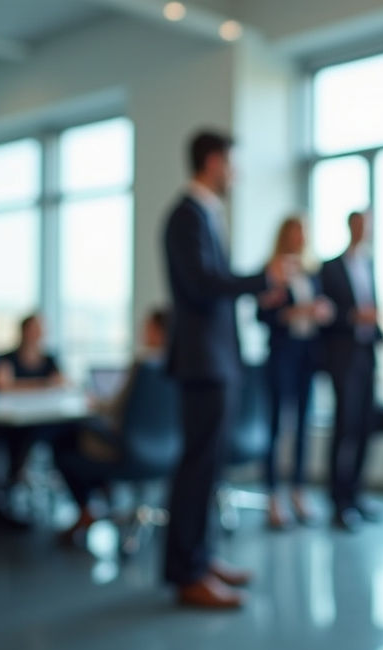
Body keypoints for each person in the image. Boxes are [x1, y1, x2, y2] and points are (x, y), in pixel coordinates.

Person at [162, 129, 295, 608]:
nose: (235, 174)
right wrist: (261, 278)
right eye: (232, 163)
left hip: (216, 359)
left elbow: (213, 286)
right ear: (214, 161)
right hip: (202, 361)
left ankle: (201, 558)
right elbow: (201, 285)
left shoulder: (204, 214)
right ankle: (186, 571)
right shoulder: (186, 215)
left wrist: (258, 287)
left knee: (209, 468)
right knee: (197, 467)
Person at [56, 308, 170, 542]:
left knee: (63, 442)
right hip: (167, 450)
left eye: (147, 326)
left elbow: (118, 407)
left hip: (128, 451)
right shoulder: (177, 365)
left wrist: (95, 404)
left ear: (158, 331)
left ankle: (88, 507)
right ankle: (103, 496)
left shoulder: (145, 366)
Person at [319, 211, 383, 532]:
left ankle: (356, 496)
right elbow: (326, 314)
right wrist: (352, 316)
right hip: (342, 358)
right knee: (344, 428)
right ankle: (338, 502)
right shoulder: (331, 267)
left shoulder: (369, 265)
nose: (366, 230)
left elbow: (372, 312)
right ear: (351, 226)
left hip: (367, 356)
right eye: (362, 224)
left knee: (366, 427)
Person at [256, 216, 334, 529]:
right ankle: (272, 496)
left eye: (304, 233)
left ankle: (298, 491)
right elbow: (263, 314)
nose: (300, 238)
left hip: (306, 356)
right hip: (281, 355)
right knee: (276, 426)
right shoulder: (271, 270)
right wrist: (293, 312)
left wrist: (321, 311)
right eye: (295, 232)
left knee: (303, 425)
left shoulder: (311, 273)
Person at [0, 313, 65, 492]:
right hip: (10, 418)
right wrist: (43, 384)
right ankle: (12, 480)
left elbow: (62, 383)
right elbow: (2, 386)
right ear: (23, 331)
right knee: (17, 436)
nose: (37, 334)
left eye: (40, 330)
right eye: (33, 329)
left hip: (43, 418)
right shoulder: (6, 358)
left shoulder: (49, 359)